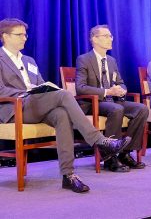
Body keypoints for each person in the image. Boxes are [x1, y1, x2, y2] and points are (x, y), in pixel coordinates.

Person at [0, 18, 131, 193]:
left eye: (25, 34)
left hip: (35, 104)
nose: (25, 38)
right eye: (20, 35)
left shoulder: (29, 60)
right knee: (63, 95)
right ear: (5, 37)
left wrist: (41, 88)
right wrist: (25, 93)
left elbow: (39, 82)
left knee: (62, 114)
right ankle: (100, 141)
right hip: (15, 108)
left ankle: (68, 175)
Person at [76, 25, 148, 172]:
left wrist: (122, 90)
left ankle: (125, 152)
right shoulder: (84, 59)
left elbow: (120, 82)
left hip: (113, 101)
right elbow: (80, 87)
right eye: (106, 36)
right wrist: (108, 91)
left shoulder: (111, 61)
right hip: (93, 102)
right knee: (117, 109)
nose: (111, 39)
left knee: (141, 109)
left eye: (111, 36)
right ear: (94, 39)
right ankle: (110, 157)